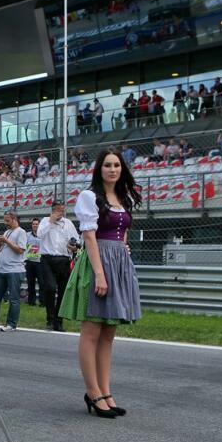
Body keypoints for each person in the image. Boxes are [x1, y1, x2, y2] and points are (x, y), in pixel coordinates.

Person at [59, 150, 142, 419]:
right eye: (107, 165)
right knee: (92, 331)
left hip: (117, 261)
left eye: (117, 165)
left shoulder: (124, 197)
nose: (113, 169)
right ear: (99, 168)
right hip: (98, 262)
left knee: (109, 333)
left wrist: (123, 251)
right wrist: (100, 273)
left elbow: (124, 230)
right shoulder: (89, 196)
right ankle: (93, 392)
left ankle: (106, 392)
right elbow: (90, 237)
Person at [37, 201, 80, 331]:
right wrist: (51, 221)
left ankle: (58, 321)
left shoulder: (68, 223)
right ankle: (49, 318)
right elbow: (39, 235)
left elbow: (76, 240)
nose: (60, 213)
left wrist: (74, 246)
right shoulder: (45, 221)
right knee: (49, 288)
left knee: (62, 291)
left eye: (62, 210)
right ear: (52, 210)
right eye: (57, 210)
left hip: (63, 259)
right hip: (47, 259)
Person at [24, 218, 43, 306]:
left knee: (42, 283)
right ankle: (31, 302)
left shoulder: (43, 235)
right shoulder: (27, 235)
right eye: (33, 224)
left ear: (39, 225)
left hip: (40, 262)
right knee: (30, 283)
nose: (35, 225)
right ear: (31, 225)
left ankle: (43, 301)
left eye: (36, 224)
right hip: (30, 262)